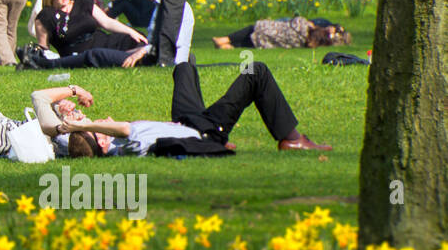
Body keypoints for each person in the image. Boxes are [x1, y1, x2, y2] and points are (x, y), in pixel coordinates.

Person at [39, 62, 330, 155]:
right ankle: (291, 138)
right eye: (99, 127)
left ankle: (221, 132)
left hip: (186, 121)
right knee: (255, 71)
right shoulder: (127, 142)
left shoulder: (88, 142)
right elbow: (123, 128)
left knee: (184, 68)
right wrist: (82, 126)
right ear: (102, 140)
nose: (103, 119)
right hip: (203, 131)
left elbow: (39, 99)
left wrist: (68, 115)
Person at [23, 0, 148, 65]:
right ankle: (134, 57)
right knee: (98, 55)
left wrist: (131, 31)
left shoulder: (83, 4)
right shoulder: (46, 16)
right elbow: (44, 48)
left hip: (103, 41)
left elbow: (107, 22)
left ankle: (136, 55)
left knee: (138, 39)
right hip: (81, 55)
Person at [213, 17, 351, 50]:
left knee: (253, 29)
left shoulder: (309, 28)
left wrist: (311, 23)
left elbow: (297, 20)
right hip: (278, 40)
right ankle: (228, 46)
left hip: (275, 30)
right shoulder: (314, 41)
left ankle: (224, 39)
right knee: (253, 41)